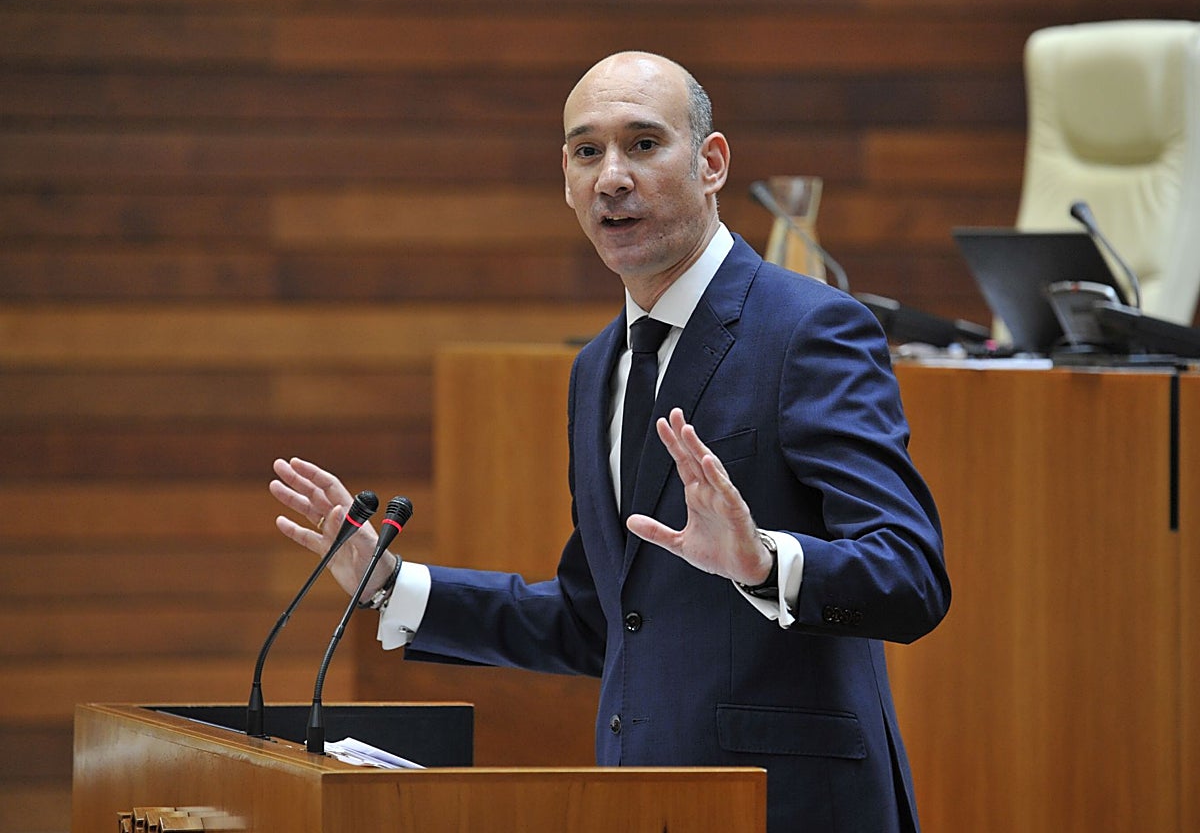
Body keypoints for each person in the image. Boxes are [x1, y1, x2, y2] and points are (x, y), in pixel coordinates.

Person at [271, 51, 950, 832]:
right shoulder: (598, 368)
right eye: (587, 152)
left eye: (644, 144)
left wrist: (763, 562)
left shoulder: (810, 328)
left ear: (711, 163)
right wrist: (393, 584)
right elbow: (601, 620)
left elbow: (911, 576)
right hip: (644, 801)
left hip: (791, 807)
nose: (612, 178)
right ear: (566, 180)